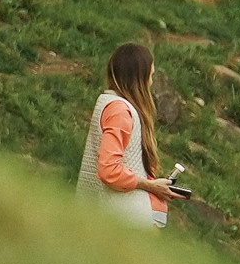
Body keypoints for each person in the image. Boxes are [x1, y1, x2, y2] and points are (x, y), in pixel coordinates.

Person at [75, 42, 181, 228]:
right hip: (120, 218)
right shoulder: (120, 112)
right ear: (139, 78)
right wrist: (149, 186)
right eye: (150, 76)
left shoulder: (111, 105)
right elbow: (109, 170)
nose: (151, 82)